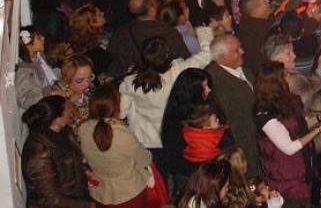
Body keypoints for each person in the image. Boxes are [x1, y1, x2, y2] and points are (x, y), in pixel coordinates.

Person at [119, 24, 215, 154]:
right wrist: (203, 31)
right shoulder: (179, 71)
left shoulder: (131, 82)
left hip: (146, 141)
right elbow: (207, 55)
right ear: (167, 54)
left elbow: (122, 112)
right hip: (174, 136)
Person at [254, 60, 321, 208]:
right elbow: (289, 148)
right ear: (276, 83)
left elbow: (301, 127)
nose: (290, 76)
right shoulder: (264, 114)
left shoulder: (291, 100)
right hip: (285, 177)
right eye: (286, 75)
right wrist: (318, 130)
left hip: (303, 168)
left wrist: (319, 118)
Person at [79, 83, 154, 208]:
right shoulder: (122, 133)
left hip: (100, 193)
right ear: (116, 106)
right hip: (129, 193)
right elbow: (145, 159)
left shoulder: (83, 129)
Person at [20, 96, 91, 208]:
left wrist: (86, 172)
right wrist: (89, 206)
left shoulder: (65, 131)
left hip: (76, 198)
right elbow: (50, 200)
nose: (71, 111)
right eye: (68, 108)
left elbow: (74, 159)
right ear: (57, 118)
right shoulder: (38, 151)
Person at [206, 34, 261, 178]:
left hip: (257, 139)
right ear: (222, 58)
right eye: (237, 50)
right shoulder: (217, 83)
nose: (242, 51)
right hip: (245, 147)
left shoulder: (245, 70)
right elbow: (233, 123)